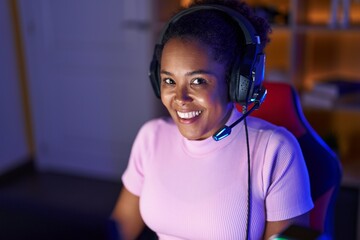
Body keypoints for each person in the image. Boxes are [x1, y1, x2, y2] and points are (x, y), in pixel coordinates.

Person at [111, 0, 313, 239]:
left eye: (198, 81)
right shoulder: (151, 137)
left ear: (237, 83)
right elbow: (121, 225)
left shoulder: (275, 151)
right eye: (169, 81)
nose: (180, 98)